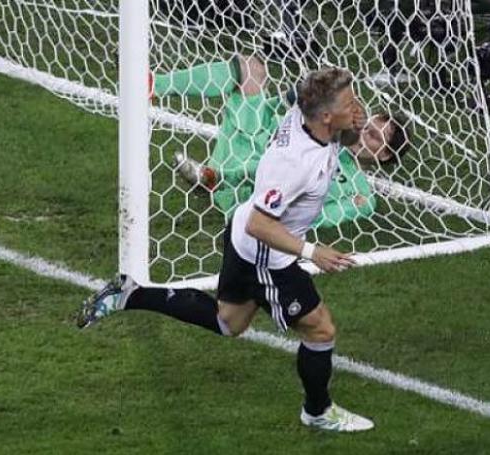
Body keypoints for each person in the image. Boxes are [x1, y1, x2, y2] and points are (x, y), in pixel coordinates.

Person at [79, 67, 379, 432]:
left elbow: (339, 139)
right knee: (320, 329)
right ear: (327, 115)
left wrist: (355, 125)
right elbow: (261, 224)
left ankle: (131, 294)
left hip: (242, 236)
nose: (358, 107)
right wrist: (312, 251)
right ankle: (318, 411)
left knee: (228, 322)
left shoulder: (313, 121)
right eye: (350, 103)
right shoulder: (294, 164)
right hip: (266, 256)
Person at [152, 55, 408, 227]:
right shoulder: (331, 124)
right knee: (251, 68)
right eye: (370, 124)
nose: (366, 132)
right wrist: (291, 98)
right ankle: (153, 85)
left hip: (254, 198)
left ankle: (215, 179)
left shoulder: (360, 193)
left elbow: (316, 217)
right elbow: (283, 110)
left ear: (384, 155)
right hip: (247, 141)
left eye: (375, 136)